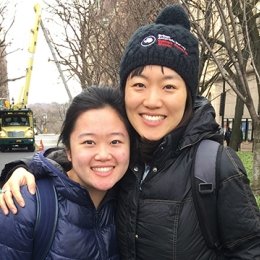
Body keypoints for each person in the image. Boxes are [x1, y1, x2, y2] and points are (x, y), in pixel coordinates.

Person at [1, 4, 260, 259]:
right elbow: (79, 159)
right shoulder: (127, 156)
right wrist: (24, 169)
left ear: (188, 96)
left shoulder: (215, 166)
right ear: (124, 91)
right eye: (139, 84)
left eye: (169, 87)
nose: (152, 100)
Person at [0, 86, 131, 259]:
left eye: (115, 141)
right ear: (68, 150)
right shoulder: (25, 205)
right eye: (89, 142)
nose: (103, 155)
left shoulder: (133, 199)